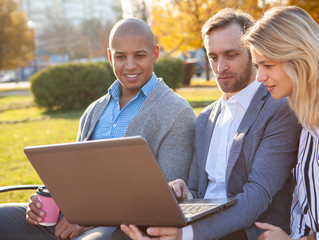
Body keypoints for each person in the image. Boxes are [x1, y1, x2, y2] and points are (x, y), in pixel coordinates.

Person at [0, 18, 196, 240]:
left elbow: (166, 201)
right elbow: (72, 179)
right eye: (121, 56)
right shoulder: (95, 110)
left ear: (155, 54)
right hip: (69, 218)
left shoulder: (177, 112)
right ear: (111, 57)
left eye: (139, 56)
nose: (130, 65)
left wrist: (91, 220)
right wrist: (45, 201)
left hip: (120, 228)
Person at [116, 8, 301, 240]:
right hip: (199, 225)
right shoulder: (206, 118)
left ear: (254, 53)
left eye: (231, 55)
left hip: (249, 231)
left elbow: (258, 195)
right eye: (213, 57)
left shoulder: (278, 108)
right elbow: (198, 191)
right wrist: (185, 193)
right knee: (124, 234)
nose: (220, 67)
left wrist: (188, 234)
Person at [243, 6, 319, 240]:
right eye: (258, 67)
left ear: (300, 58)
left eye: (267, 65)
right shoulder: (305, 114)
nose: (259, 77)